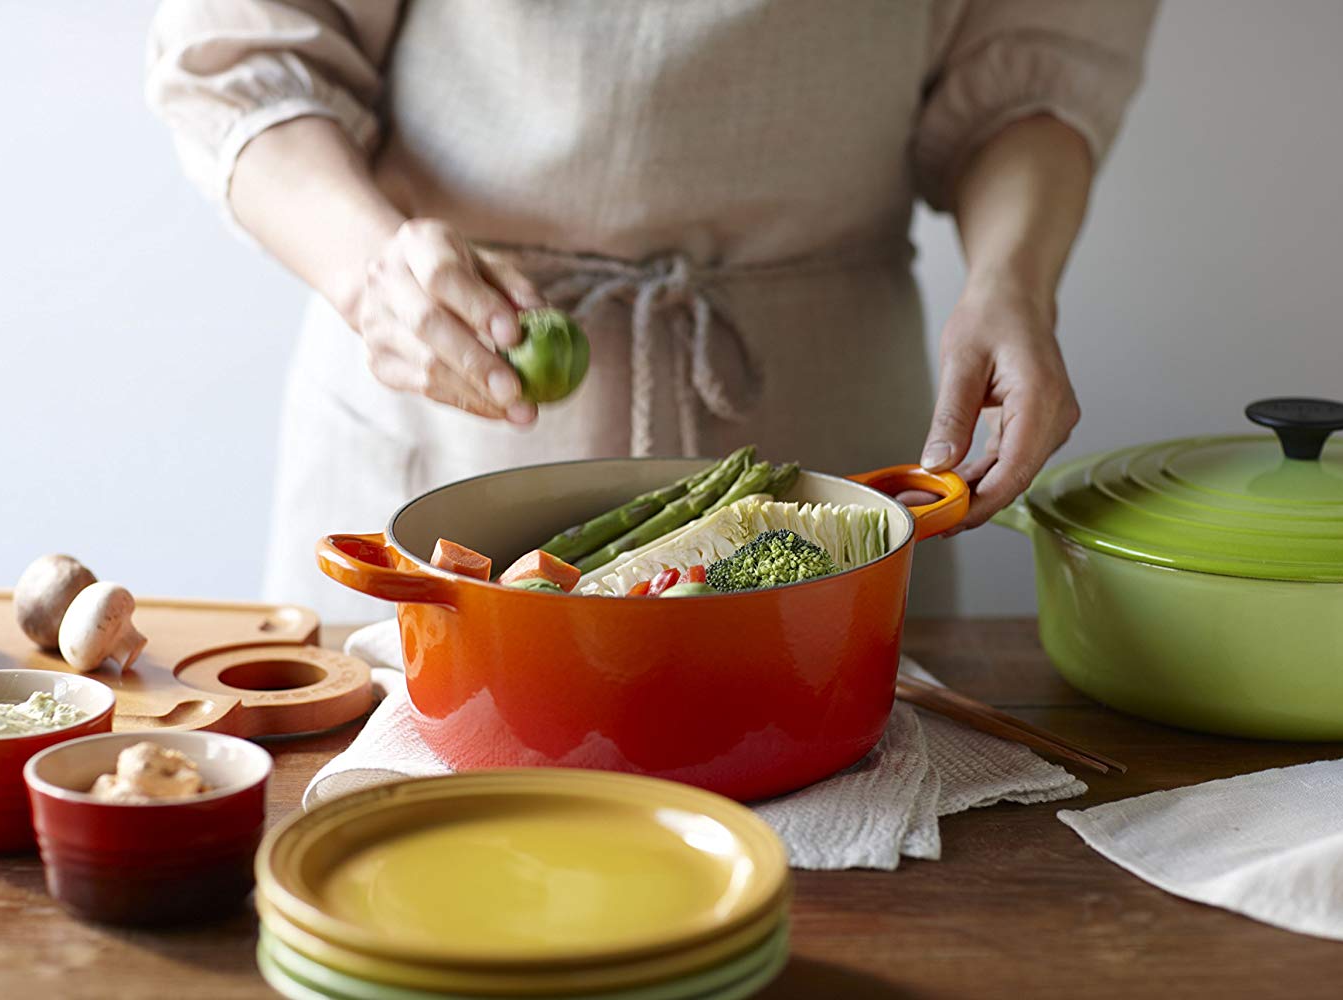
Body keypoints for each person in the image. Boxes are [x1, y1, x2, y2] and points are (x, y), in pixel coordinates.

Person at [148, 0, 1157, 620]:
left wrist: (1014, 282)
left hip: (823, 407)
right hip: (446, 409)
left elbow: (1033, 67)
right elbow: (245, 53)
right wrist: (374, 272)